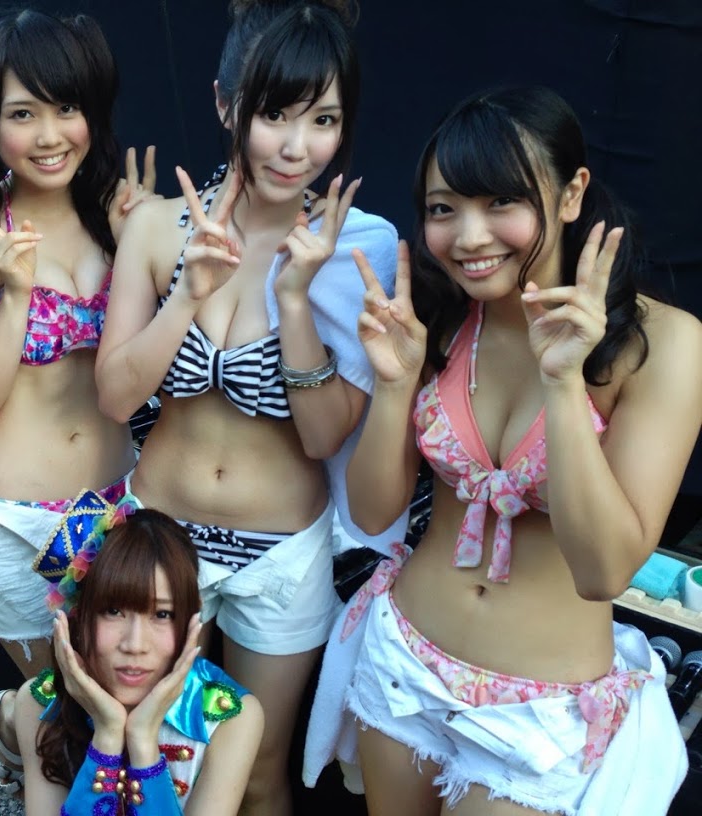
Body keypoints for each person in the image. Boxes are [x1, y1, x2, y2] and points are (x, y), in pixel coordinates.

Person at [305, 86, 702, 815]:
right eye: (444, 208)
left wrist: (564, 383)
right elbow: (371, 514)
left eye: (501, 203)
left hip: (540, 710)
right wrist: (393, 386)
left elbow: (605, 569)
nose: (469, 236)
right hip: (405, 661)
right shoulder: (440, 316)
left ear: (572, 194)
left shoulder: (663, 345)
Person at [95, 2, 398, 813]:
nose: (297, 147)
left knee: (258, 767)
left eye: (323, 120)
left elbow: (325, 435)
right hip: (160, 534)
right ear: (226, 104)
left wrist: (296, 298)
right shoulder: (157, 228)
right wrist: (188, 294)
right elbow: (116, 395)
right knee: (145, 745)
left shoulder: (358, 245)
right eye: (275, 115)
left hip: (280, 554)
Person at [0, 8, 154, 794]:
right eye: (23, 114)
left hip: (112, 507)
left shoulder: (116, 218)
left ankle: (13, 721)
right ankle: (16, 725)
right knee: (68, 706)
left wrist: (141, 250)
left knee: (119, 698)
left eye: (67, 107)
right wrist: (16, 295)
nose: (52, 135)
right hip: (15, 524)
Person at [14, 495, 264, 815]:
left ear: (191, 620)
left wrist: (143, 741)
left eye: (162, 614)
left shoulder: (230, 719)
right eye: (113, 611)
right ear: (79, 614)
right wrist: (107, 736)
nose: (135, 644)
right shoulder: (38, 703)